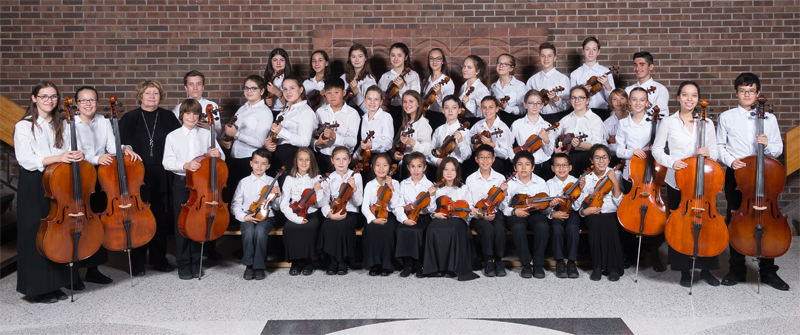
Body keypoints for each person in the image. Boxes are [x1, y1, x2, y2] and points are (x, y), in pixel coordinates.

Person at [717, 72, 789, 291]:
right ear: (736, 93)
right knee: (737, 218)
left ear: (758, 93)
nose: (747, 94)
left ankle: (767, 270)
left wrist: (767, 144)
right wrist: (732, 161)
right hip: (738, 175)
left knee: (767, 219)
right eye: (742, 91)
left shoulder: (769, 118)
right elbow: (720, 147)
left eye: (751, 91)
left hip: (764, 175)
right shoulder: (727, 117)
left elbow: (778, 149)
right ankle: (737, 268)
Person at [652, 81, 721, 288]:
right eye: (685, 95)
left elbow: (716, 151)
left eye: (693, 95)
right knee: (680, 225)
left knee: (706, 224)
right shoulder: (668, 122)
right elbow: (657, 150)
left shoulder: (706, 123)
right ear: (678, 98)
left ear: (698, 99)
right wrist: (672, 162)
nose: (689, 99)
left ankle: (707, 269)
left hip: (703, 182)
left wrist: (710, 153)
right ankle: (683, 269)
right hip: (678, 181)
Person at [72, 86, 141, 289]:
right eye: (83, 101)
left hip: (102, 177)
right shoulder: (71, 123)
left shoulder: (103, 121)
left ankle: (93, 270)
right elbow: (70, 150)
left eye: (92, 100)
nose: (88, 104)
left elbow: (111, 147)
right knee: (80, 223)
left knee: (98, 220)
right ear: (77, 104)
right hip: (81, 175)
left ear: (96, 102)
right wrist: (96, 158)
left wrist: (125, 148)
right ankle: (74, 271)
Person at [14, 81, 76, 303]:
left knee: (56, 231)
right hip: (35, 181)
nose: (49, 101)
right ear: (34, 99)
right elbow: (26, 159)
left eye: (53, 97)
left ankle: (55, 283)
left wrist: (72, 155)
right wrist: (58, 158)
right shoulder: (24, 126)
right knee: (36, 231)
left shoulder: (62, 124)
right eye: (44, 96)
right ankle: (38, 287)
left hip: (58, 179)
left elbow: (67, 151)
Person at [119, 79, 181, 276]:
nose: (152, 97)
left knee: (161, 218)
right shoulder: (129, 118)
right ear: (140, 96)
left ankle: (158, 259)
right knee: (138, 219)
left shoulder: (169, 117)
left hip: (162, 174)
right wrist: (125, 148)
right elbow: (117, 145)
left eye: (155, 93)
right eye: (148, 93)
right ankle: (137, 261)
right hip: (138, 176)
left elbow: (178, 143)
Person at [162, 99, 225, 280]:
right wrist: (186, 165)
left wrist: (218, 154)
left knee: (199, 222)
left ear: (199, 116)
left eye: (195, 114)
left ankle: (196, 261)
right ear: (182, 115)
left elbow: (222, 158)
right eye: (188, 113)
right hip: (182, 183)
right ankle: (183, 263)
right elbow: (167, 162)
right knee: (182, 223)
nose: (192, 117)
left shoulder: (206, 134)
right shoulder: (173, 136)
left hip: (203, 184)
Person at [615, 87, 666, 272]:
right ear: (629, 102)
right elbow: (618, 150)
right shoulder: (623, 124)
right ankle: (632, 253)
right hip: (632, 175)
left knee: (654, 215)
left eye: (641, 100)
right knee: (631, 215)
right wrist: (632, 152)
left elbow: (661, 146)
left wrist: (654, 148)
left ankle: (654, 254)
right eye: (634, 100)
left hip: (652, 175)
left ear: (647, 103)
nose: (637, 103)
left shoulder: (656, 122)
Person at [501, 151, 557, 279]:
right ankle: (526, 264)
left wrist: (551, 205)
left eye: (527, 164)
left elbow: (544, 208)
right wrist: (515, 212)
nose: (523, 168)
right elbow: (503, 206)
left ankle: (538, 265)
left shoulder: (541, 182)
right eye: (520, 164)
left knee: (542, 226)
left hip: (535, 212)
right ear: (515, 167)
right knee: (518, 227)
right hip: (516, 213)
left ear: (533, 167)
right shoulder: (509, 183)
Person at [423, 157, 480, 281]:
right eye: (446, 169)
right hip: (440, 217)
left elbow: (468, 205)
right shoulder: (436, 187)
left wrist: (473, 211)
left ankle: (451, 268)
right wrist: (434, 214)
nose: (449, 173)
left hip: (457, 219)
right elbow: (430, 208)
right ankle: (436, 268)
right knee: (432, 229)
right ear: (441, 171)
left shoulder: (463, 188)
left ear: (457, 172)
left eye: (452, 170)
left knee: (453, 228)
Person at [221, 75, 272, 209]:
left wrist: (236, 134)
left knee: (246, 200)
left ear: (261, 91)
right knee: (233, 197)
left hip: (248, 160)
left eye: (253, 88)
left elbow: (260, 142)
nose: (249, 91)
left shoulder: (264, 112)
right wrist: (228, 140)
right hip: (234, 158)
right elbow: (234, 132)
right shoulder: (242, 109)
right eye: (246, 88)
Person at [230, 148, 281, 280]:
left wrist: (276, 197)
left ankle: (258, 266)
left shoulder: (272, 181)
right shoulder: (244, 182)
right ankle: (249, 265)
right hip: (248, 215)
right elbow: (235, 204)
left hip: (266, 216)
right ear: (251, 163)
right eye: (256, 163)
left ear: (268, 166)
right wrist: (243, 217)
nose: (259, 166)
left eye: (263, 163)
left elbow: (276, 207)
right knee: (249, 232)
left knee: (259, 232)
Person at [576, 144, 625, 281]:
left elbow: (619, 202)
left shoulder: (617, 174)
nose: (601, 161)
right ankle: (597, 266)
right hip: (592, 212)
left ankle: (614, 267)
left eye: (604, 157)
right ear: (592, 160)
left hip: (611, 211)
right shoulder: (587, 176)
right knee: (596, 222)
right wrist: (585, 212)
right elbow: (581, 204)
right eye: (597, 157)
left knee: (610, 222)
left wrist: (614, 180)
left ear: (609, 160)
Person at [279, 147, 325, 276]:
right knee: (289, 228)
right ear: (296, 161)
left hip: (311, 212)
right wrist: (296, 219)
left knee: (309, 228)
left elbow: (321, 203)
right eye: (301, 159)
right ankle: (294, 262)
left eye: (307, 160)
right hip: (294, 212)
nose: (304, 163)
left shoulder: (317, 178)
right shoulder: (289, 179)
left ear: (312, 162)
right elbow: (283, 204)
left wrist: (318, 190)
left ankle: (308, 261)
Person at [318, 146, 363, 275]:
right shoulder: (329, 178)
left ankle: (342, 261)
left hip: (350, 211)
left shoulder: (356, 176)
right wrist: (330, 214)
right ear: (332, 161)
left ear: (349, 160)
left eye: (344, 159)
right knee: (327, 224)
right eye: (338, 159)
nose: (341, 162)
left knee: (343, 224)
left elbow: (358, 202)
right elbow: (324, 202)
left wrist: (354, 187)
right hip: (334, 210)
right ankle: (332, 261)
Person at [465, 145, 509, 277]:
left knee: (500, 229)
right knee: (488, 229)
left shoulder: (500, 177)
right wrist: (481, 215)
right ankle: (488, 260)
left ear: (493, 159)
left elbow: (503, 205)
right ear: (476, 159)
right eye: (482, 157)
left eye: (488, 157)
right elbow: (470, 203)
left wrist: (505, 193)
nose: (485, 160)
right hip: (478, 214)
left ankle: (499, 261)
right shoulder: (471, 179)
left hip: (496, 212)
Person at [393, 152, 434, 278]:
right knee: (402, 230)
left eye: (419, 166)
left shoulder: (429, 185)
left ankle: (419, 264)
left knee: (417, 231)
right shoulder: (403, 184)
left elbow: (432, 210)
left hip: (423, 217)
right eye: (413, 166)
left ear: (425, 167)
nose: (416, 170)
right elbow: (398, 206)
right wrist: (404, 220)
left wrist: (430, 197)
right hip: (407, 215)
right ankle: (408, 264)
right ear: (408, 168)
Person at [264, 75, 315, 177]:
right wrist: (267, 142)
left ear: (301, 89)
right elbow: (274, 134)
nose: (288, 92)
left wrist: (282, 131)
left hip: (292, 156)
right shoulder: (285, 109)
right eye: (285, 89)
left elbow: (304, 142)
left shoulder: (306, 111)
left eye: (292, 88)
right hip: (277, 155)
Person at [361, 153, 401, 276]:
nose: (381, 168)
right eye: (378, 165)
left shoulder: (395, 183)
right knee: (372, 229)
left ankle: (386, 264)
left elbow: (395, 206)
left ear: (390, 168)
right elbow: (364, 207)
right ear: (373, 167)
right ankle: (374, 264)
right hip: (373, 215)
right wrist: (373, 219)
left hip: (388, 214)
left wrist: (390, 187)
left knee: (387, 230)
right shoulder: (370, 184)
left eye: (385, 165)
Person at [545, 153, 584, 279]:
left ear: (570, 167)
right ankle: (559, 261)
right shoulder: (548, 184)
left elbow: (578, 207)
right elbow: (545, 206)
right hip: (556, 212)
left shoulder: (575, 182)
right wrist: (552, 209)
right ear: (552, 168)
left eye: (564, 165)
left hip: (572, 211)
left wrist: (580, 191)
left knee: (573, 228)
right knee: (556, 229)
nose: (561, 168)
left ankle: (572, 262)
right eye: (557, 165)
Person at [553, 86, 605, 177]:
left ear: (587, 100)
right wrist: (555, 149)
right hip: (567, 160)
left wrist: (580, 144)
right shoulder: (565, 119)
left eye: (581, 98)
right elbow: (552, 136)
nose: (576, 101)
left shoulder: (595, 120)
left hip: (586, 159)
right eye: (573, 98)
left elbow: (597, 146)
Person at [314, 77, 360, 174]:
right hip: (323, 157)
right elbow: (312, 136)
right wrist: (317, 143)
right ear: (325, 94)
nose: (332, 96)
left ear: (343, 93)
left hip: (342, 160)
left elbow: (352, 142)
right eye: (329, 93)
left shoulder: (352, 113)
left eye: (336, 92)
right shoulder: (320, 111)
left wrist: (334, 136)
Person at [510, 90, 555, 180]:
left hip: (543, 168)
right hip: (524, 168)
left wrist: (546, 140)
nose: (535, 106)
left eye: (538, 103)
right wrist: (514, 159)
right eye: (531, 103)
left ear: (542, 105)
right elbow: (508, 146)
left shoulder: (548, 126)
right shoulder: (517, 124)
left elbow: (549, 152)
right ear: (525, 105)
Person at [569, 37, 615, 120]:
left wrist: (607, 86)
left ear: (598, 52)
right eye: (587, 49)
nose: (591, 52)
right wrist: (581, 93)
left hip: (602, 113)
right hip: (581, 113)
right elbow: (571, 100)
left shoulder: (606, 72)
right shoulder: (575, 74)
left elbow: (612, 101)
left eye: (594, 49)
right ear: (583, 51)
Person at [379, 42, 421, 132]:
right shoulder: (385, 76)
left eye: (399, 55)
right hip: (388, 111)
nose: (395, 58)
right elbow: (379, 95)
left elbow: (416, 98)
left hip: (406, 112)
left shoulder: (413, 75)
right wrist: (380, 104)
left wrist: (402, 88)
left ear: (406, 57)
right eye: (393, 55)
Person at [526, 42, 570, 125]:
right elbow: (526, 102)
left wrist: (556, 99)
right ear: (539, 57)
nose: (546, 59)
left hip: (557, 117)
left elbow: (568, 106)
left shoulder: (563, 79)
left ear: (555, 58)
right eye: (543, 56)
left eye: (549, 56)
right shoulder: (532, 80)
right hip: (536, 118)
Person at [356, 85, 395, 182]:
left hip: (379, 158)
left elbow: (388, 143)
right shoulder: (364, 118)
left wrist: (372, 145)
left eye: (376, 99)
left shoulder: (386, 117)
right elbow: (363, 143)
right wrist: (355, 158)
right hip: (365, 158)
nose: (372, 102)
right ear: (364, 100)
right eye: (369, 99)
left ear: (381, 101)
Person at [467, 97, 513, 176]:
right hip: (479, 158)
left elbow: (505, 155)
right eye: (484, 107)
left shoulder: (503, 128)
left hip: (496, 160)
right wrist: (475, 146)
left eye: (491, 107)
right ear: (481, 109)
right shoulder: (478, 125)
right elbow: (469, 142)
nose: (487, 111)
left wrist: (492, 145)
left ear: (497, 109)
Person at [392, 91, 433, 181]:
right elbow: (394, 144)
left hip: (415, 168)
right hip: (403, 165)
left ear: (418, 103)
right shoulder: (406, 124)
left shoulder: (423, 124)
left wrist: (411, 142)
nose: (407, 104)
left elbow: (427, 151)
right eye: (405, 102)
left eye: (411, 101)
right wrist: (394, 153)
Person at [171, 70, 221, 137]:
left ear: (203, 87)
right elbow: (174, 134)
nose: (195, 88)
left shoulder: (212, 106)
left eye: (198, 84)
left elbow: (218, 135)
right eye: (191, 84)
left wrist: (209, 129)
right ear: (186, 87)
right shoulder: (178, 108)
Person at [427, 95, 471, 168]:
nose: (450, 110)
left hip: (456, 167)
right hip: (439, 167)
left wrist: (461, 141)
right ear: (443, 111)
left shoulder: (464, 131)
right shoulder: (438, 130)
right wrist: (436, 161)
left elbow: (466, 156)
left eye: (454, 107)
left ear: (459, 110)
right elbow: (430, 151)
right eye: (447, 108)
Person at [624, 51, 669, 117]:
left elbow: (663, 116)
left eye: (642, 65)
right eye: (635, 65)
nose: (637, 68)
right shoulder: (628, 90)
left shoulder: (660, 89)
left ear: (651, 67)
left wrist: (649, 106)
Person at [420, 48, 454, 130]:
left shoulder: (448, 82)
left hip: (439, 117)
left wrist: (439, 94)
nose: (434, 62)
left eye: (438, 59)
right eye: (432, 59)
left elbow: (448, 106)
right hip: (424, 115)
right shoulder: (425, 81)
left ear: (443, 61)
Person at [491, 53, 527, 127]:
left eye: (505, 64)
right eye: (499, 63)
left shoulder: (519, 85)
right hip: (496, 122)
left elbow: (523, 109)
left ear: (511, 68)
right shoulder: (493, 87)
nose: (501, 66)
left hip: (513, 122)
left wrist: (506, 108)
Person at [341, 43, 378, 114]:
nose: (357, 60)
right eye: (353, 57)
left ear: (365, 58)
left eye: (360, 56)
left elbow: (369, 111)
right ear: (349, 58)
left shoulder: (370, 80)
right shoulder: (343, 77)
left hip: (361, 114)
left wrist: (356, 92)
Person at [459, 55, 491, 126]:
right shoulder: (463, 86)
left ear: (477, 71)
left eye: (469, 67)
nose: (465, 69)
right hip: (463, 121)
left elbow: (484, 113)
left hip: (475, 123)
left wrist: (468, 103)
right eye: (464, 66)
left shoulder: (481, 89)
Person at [264, 48, 292, 117]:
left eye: (282, 60)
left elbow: (290, 104)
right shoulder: (267, 78)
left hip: (286, 113)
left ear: (286, 62)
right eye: (275, 60)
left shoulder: (291, 79)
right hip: (269, 113)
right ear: (271, 62)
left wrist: (277, 92)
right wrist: (265, 102)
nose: (278, 63)